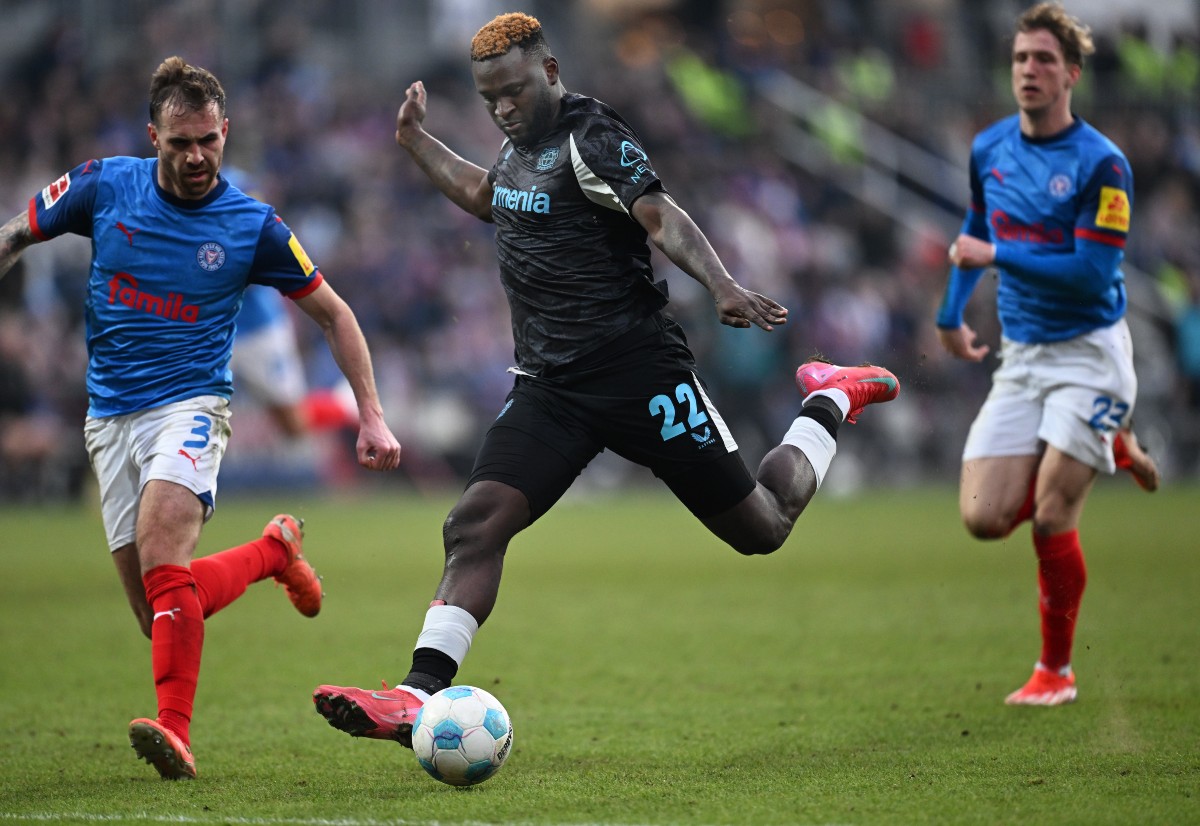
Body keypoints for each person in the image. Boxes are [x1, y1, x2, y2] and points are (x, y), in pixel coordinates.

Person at [312, 12, 898, 748]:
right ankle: (413, 694)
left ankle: (829, 396)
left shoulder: (591, 138)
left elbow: (661, 214)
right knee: (473, 523)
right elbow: (488, 197)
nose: (503, 108)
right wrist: (413, 141)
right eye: (490, 97)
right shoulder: (519, 145)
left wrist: (720, 284)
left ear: (550, 72)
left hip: (639, 375)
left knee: (763, 527)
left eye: (515, 92)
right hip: (551, 388)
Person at [0, 56, 401, 779]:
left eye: (209, 141)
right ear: (153, 136)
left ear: (226, 133)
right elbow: (13, 237)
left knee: (163, 557)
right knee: (162, 604)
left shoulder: (252, 225)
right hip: (108, 418)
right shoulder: (100, 185)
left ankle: (174, 731)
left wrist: (370, 414)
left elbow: (335, 314)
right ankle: (273, 553)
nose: (196, 157)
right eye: (181, 143)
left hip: (190, 405)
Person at [936, 3, 1153, 707]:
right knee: (980, 517)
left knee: (1056, 514)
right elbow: (975, 225)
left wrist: (998, 255)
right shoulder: (989, 147)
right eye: (1021, 59)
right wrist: (949, 313)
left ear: (1072, 75)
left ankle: (1055, 672)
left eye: (1045, 60)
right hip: (1024, 356)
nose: (1030, 70)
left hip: (1090, 354)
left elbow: (1092, 274)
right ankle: (1106, 444)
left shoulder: (1102, 164)